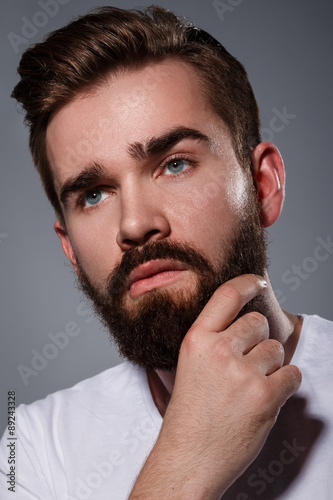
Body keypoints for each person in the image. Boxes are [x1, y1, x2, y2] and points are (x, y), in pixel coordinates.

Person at [0, 5, 332, 499]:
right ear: (69, 248)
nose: (135, 225)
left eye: (174, 164)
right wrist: (187, 461)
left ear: (263, 186)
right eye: (93, 194)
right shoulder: (30, 450)